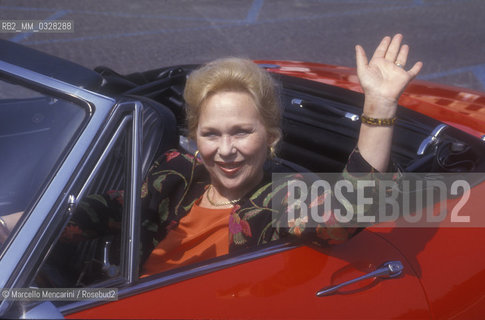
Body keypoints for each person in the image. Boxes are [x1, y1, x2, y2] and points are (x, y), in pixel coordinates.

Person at [1, 34, 422, 277]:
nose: (225, 150)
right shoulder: (178, 173)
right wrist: (13, 227)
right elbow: (114, 207)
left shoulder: (279, 198)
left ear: (270, 136)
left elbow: (345, 216)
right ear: (195, 137)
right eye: (211, 134)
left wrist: (379, 107)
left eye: (242, 132)